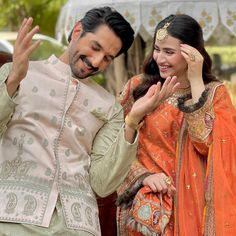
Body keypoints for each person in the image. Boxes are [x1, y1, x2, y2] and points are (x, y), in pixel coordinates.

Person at [0, 7, 180, 236]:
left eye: (107, 58)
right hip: (14, 220)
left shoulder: (108, 106)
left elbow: (103, 183)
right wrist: (14, 79)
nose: (96, 62)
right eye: (95, 47)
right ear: (77, 31)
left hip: (79, 226)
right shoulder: (18, 74)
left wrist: (132, 121)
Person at [117, 14, 236, 235]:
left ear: (192, 53)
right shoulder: (138, 87)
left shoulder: (214, 94)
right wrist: (143, 176)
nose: (159, 58)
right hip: (147, 209)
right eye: (157, 49)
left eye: (169, 52)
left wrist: (196, 79)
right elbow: (111, 143)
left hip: (193, 210)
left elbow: (205, 144)